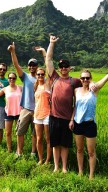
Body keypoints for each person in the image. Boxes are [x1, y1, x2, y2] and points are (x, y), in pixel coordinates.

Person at [70, 54, 108, 179]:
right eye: (83, 78)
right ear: (80, 79)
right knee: (79, 150)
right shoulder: (76, 90)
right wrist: (71, 119)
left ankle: (91, 176)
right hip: (77, 123)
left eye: (88, 78)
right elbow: (75, 106)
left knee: (91, 152)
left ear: (91, 78)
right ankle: (81, 172)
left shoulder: (95, 89)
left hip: (90, 124)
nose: (85, 80)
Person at [45, 35, 82, 173]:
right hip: (54, 116)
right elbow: (48, 59)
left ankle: (64, 167)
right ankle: (56, 166)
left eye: (66, 66)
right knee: (55, 144)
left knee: (65, 144)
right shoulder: (54, 77)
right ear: (59, 68)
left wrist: (72, 119)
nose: (63, 68)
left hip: (67, 119)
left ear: (69, 68)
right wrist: (51, 43)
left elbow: (78, 100)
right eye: (61, 66)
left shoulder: (75, 81)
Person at [7, 42, 45, 157]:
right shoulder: (25, 77)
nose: (32, 67)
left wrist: (44, 53)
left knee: (35, 134)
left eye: (34, 65)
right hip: (25, 109)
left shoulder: (41, 78)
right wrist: (13, 52)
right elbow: (16, 65)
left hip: (38, 111)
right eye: (30, 65)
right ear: (28, 67)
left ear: (37, 67)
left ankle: (33, 152)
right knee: (20, 132)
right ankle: (19, 152)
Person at [0, 72, 22, 153]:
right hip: (8, 112)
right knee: (8, 133)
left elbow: (30, 92)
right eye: (10, 78)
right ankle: (9, 149)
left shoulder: (20, 88)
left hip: (19, 113)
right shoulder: (5, 89)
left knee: (18, 133)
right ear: (8, 79)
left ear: (16, 79)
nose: (11, 80)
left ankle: (18, 150)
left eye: (13, 78)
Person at [33, 67, 52, 165]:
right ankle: (40, 159)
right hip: (37, 115)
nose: (40, 76)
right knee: (39, 138)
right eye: (38, 74)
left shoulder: (47, 85)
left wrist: (45, 55)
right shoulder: (35, 86)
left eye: (42, 74)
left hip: (47, 114)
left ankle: (48, 160)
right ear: (36, 75)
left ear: (44, 75)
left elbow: (50, 71)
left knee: (48, 138)